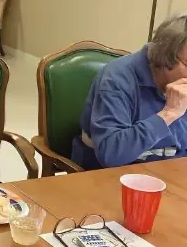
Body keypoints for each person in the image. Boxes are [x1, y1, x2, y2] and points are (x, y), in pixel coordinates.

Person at [72, 14, 187, 170]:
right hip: (109, 175)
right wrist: (169, 114)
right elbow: (111, 154)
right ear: (167, 58)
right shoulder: (116, 78)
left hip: (170, 172)